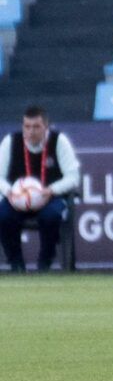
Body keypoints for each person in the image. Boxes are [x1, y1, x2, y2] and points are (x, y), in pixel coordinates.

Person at [0, 105, 81, 272]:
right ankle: (16, 263)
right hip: (17, 199)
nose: (31, 132)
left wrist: (51, 190)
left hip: (50, 198)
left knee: (51, 216)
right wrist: (9, 191)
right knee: (3, 215)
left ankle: (45, 260)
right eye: (27, 127)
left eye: (36, 127)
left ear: (46, 126)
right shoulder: (11, 141)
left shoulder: (59, 141)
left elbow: (73, 177)